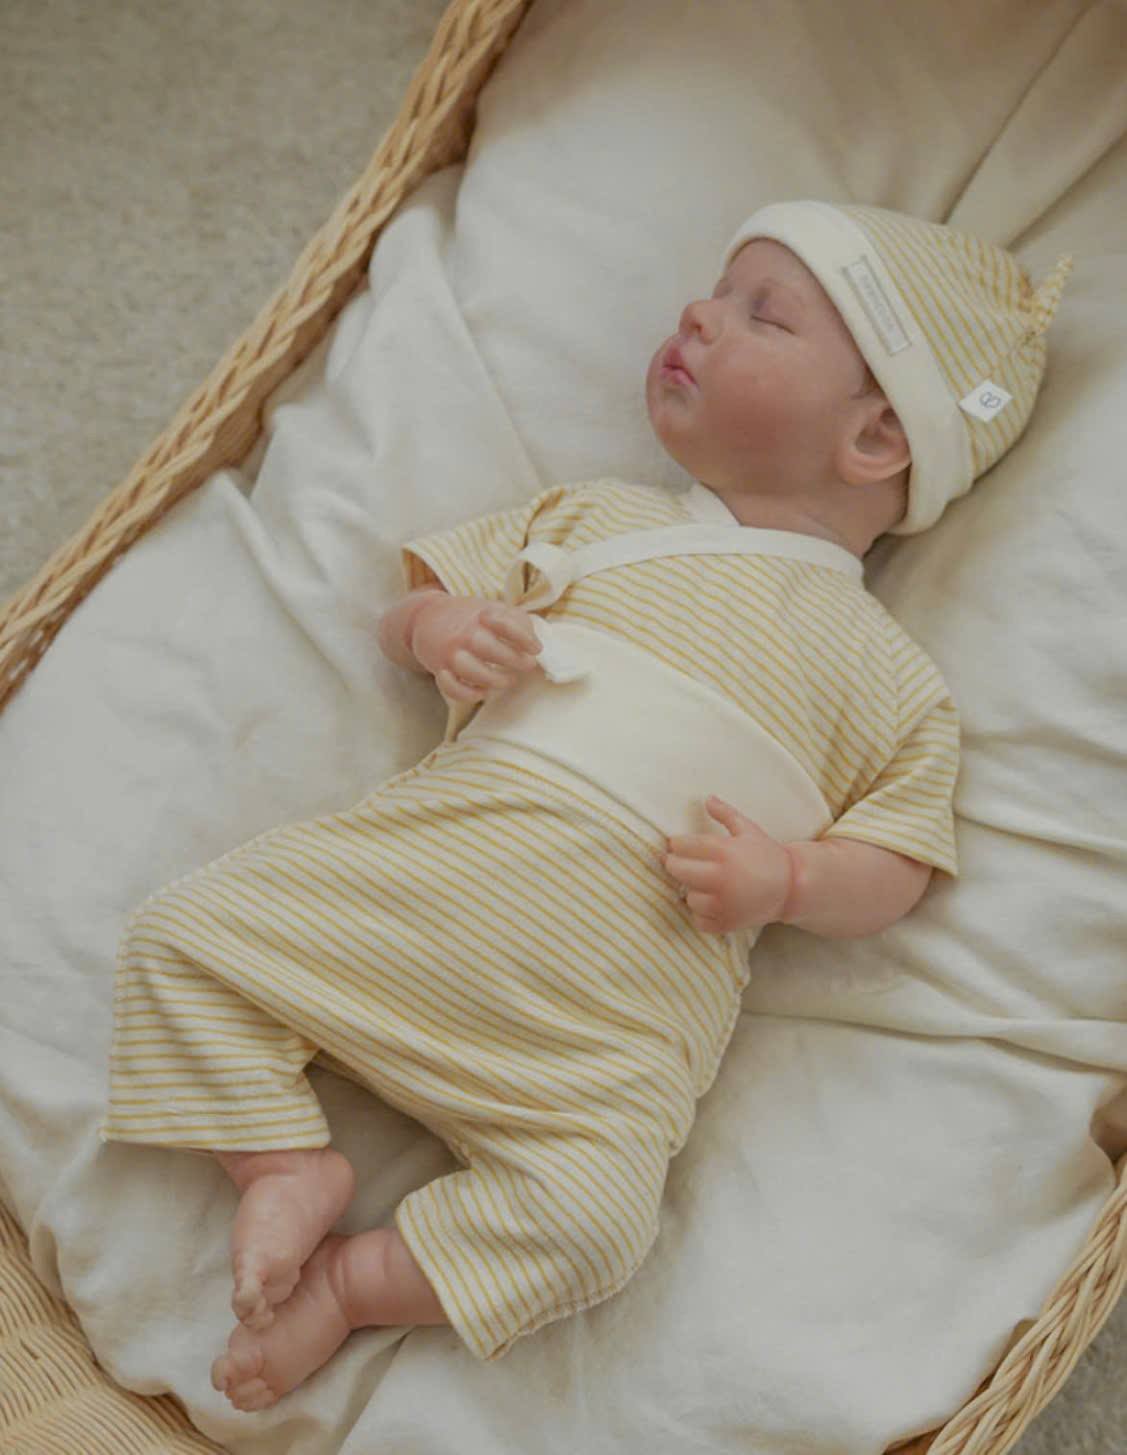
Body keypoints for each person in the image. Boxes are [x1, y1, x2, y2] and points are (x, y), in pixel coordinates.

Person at [99, 200, 1071, 1411]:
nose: (697, 314)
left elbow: (896, 867)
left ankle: (354, 1283)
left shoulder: (892, 681)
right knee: (180, 937)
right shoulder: (596, 522)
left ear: (874, 437)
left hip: (593, 1039)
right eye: (713, 291)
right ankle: (281, 1164)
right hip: (404, 899)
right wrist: (444, 631)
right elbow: (409, 608)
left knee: (596, 1225)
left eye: (761, 314)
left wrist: (788, 880)